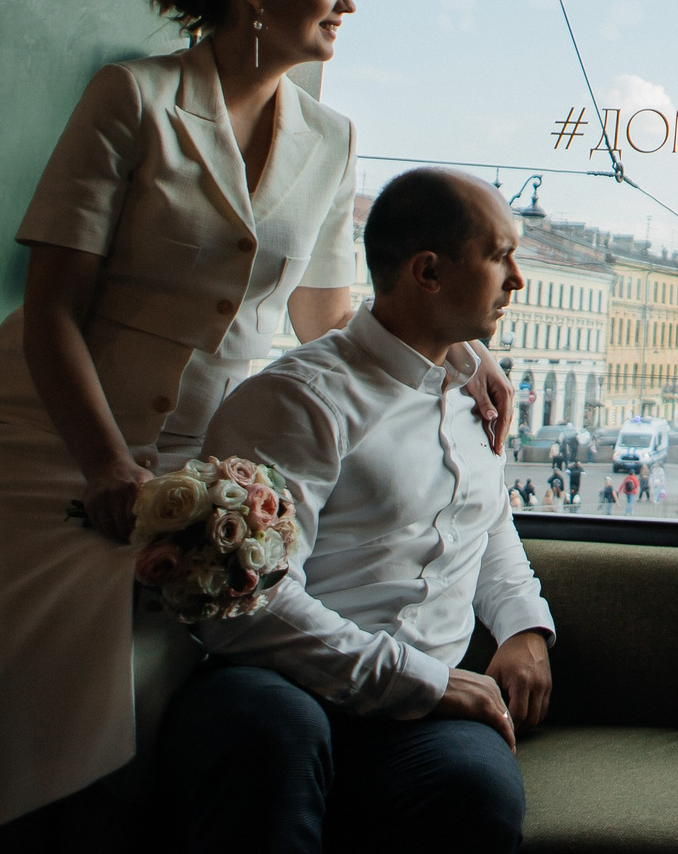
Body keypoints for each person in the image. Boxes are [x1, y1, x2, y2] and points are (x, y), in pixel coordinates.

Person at [0, 0, 508, 854]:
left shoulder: (331, 138)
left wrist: (456, 353)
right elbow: (53, 307)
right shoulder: (133, 96)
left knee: (136, 726)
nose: (346, 4)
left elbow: (327, 319)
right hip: (34, 450)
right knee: (17, 700)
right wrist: (107, 465)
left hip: (199, 482)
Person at [160, 169, 553, 854]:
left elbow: (487, 524)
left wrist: (522, 625)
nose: (516, 278)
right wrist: (421, 681)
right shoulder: (300, 399)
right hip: (285, 682)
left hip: (425, 705)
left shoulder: (475, 396)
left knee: (477, 791)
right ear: (427, 271)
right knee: (273, 733)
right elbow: (249, 605)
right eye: (499, 256)